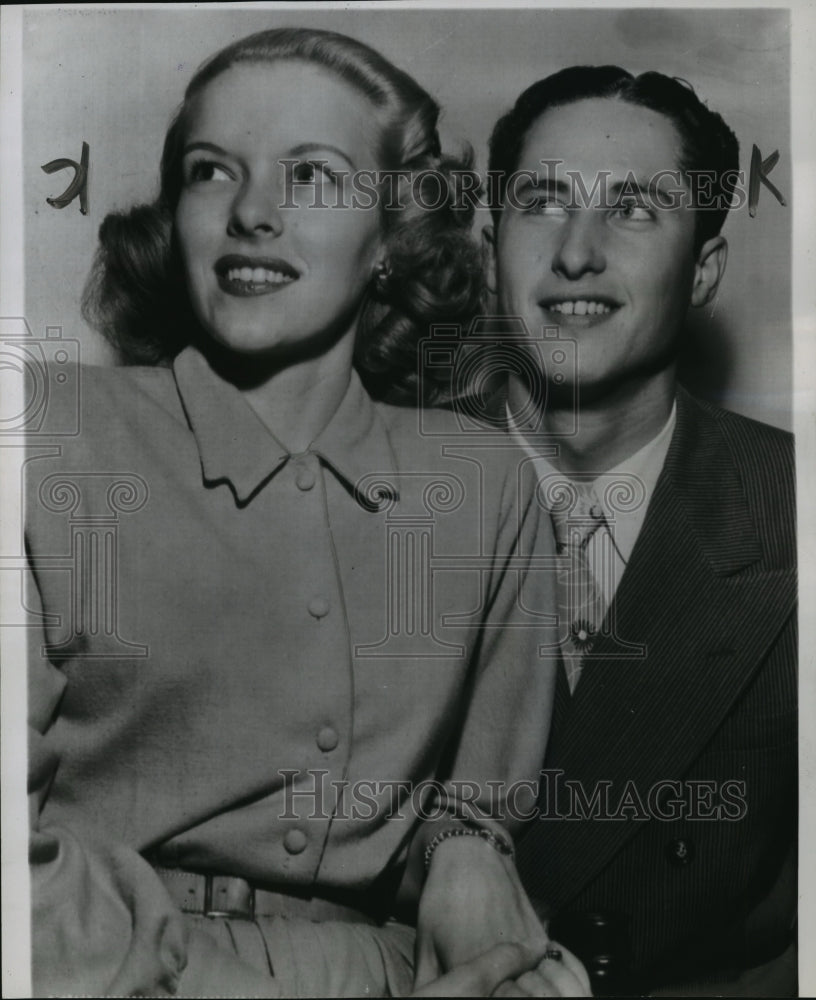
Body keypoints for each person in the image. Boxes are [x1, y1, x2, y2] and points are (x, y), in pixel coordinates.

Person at [25, 28, 591, 998]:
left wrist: (467, 855)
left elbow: (476, 829)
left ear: (392, 236)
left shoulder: (485, 487)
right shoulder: (46, 435)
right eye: (212, 172)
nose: (251, 212)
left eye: (313, 177)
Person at [474, 66, 796, 995]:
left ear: (703, 270)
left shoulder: (796, 515)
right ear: (492, 244)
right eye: (542, 202)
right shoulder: (368, 486)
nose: (577, 253)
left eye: (634, 210)